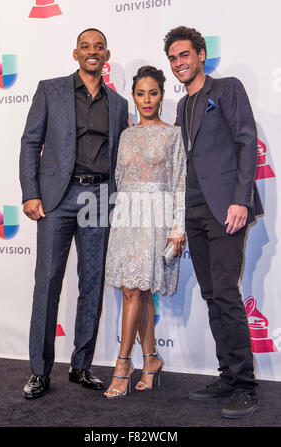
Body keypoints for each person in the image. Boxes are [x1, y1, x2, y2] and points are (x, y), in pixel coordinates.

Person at [19, 28, 129, 399]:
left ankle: (81, 365)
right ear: (75, 54)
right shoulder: (50, 89)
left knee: (92, 283)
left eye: (99, 47)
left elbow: (118, 158)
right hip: (56, 198)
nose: (92, 52)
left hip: (99, 197)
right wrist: (31, 193)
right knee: (48, 281)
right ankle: (39, 371)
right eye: (86, 47)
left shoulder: (118, 104)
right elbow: (31, 141)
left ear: (107, 55)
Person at [164, 26, 264, 418]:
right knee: (211, 296)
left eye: (184, 55)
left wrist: (241, 199)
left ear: (201, 54)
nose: (178, 63)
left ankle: (245, 384)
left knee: (225, 293)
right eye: (173, 58)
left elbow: (245, 141)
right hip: (194, 213)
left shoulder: (226, 90)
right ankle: (227, 375)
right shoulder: (181, 106)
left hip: (226, 208)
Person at [104, 66, 186, 398]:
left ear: (162, 95)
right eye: (140, 93)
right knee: (136, 290)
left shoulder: (173, 134)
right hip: (126, 218)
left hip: (157, 219)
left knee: (135, 291)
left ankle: (123, 364)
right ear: (133, 97)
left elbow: (181, 183)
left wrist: (178, 228)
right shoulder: (126, 134)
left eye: (153, 93)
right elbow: (121, 180)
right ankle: (150, 359)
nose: (146, 99)